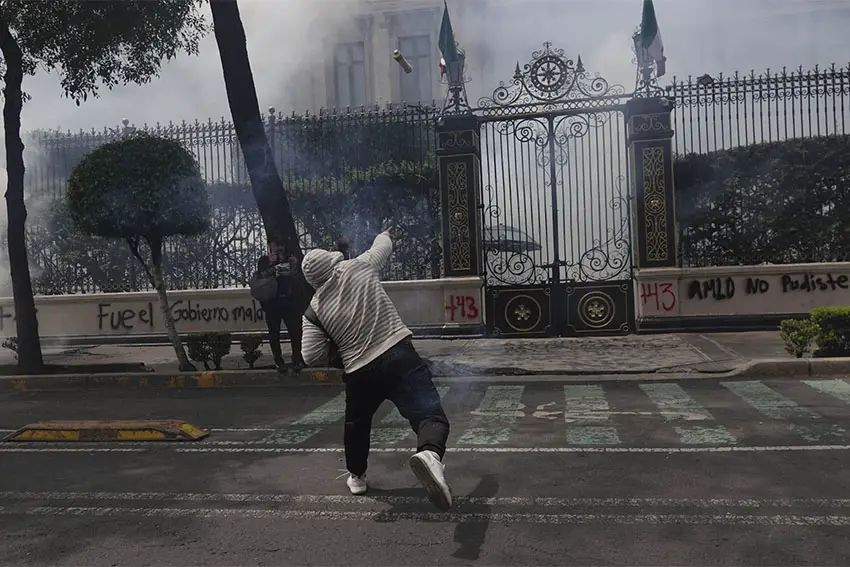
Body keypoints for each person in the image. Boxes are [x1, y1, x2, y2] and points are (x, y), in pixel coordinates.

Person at [300, 228, 452, 511]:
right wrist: (384, 234)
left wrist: (340, 350)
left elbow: (310, 355)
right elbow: (382, 248)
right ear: (333, 262)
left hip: (359, 371)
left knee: (357, 425)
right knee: (429, 414)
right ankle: (430, 455)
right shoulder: (358, 266)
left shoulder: (314, 310)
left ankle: (357, 477)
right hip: (398, 355)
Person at [255, 240, 305, 374]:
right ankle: (278, 360)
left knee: (295, 331)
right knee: (274, 333)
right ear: (270, 246)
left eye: (281, 245)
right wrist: (272, 265)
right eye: (276, 245)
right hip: (272, 303)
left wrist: (294, 266)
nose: (279, 248)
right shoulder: (264, 260)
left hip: (288, 300)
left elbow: (297, 279)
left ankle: (297, 359)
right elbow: (260, 277)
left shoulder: (290, 259)